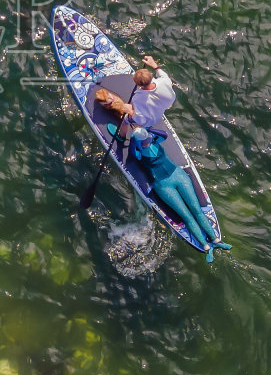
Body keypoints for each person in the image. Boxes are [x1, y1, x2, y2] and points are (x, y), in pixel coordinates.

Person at [95, 88, 229, 262]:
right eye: (145, 141)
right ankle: (207, 245)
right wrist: (138, 129)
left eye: (146, 139)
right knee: (189, 215)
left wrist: (132, 128)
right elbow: (150, 141)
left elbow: (140, 143)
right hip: (168, 181)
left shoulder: (145, 146)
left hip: (172, 179)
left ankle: (215, 241)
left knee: (194, 211)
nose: (147, 142)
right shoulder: (147, 146)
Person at [131, 55, 176, 130]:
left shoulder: (137, 98)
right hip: (159, 113)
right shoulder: (164, 81)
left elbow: (139, 118)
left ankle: (122, 136)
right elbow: (161, 73)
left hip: (148, 121)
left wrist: (129, 110)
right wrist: (153, 64)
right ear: (151, 76)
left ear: (138, 84)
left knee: (126, 119)